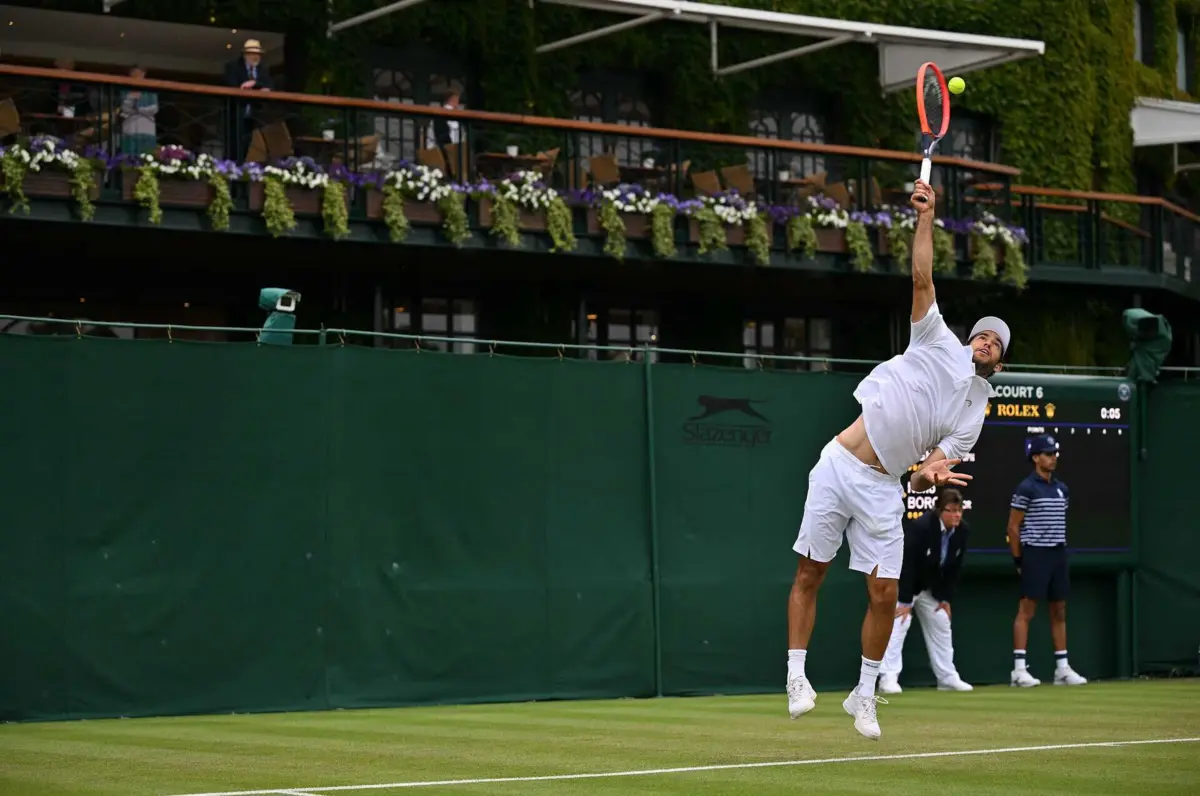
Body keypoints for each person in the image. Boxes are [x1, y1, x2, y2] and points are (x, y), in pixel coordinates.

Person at [785, 179, 1010, 740]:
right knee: (810, 572)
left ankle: (865, 695)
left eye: (995, 345)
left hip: (885, 487)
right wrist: (927, 216)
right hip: (838, 465)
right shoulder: (935, 337)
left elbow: (933, 462)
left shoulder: (974, 414)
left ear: (1000, 363)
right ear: (969, 340)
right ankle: (796, 676)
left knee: (885, 591)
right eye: (982, 337)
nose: (984, 344)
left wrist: (931, 470)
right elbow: (921, 276)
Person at [1008, 433, 1087, 687]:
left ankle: (1062, 669)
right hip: (1035, 554)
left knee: (1059, 609)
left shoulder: (1061, 489)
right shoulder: (1026, 488)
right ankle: (1019, 671)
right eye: (1048, 454)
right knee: (1027, 609)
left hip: (1058, 554)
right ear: (1035, 458)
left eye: (1054, 454)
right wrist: (1019, 560)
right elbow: (1013, 527)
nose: (1053, 458)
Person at [878, 488, 973, 695]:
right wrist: (904, 602)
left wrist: (945, 598)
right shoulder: (920, 527)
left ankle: (947, 677)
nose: (957, 515)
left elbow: (954, 568)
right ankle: (888, 677)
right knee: (900, 621)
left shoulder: (962, 531)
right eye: (952, 510)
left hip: (931, 588)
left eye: (960, 510)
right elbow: (907, 565)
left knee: (941, 619)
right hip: (906, 584)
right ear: (940, 510)